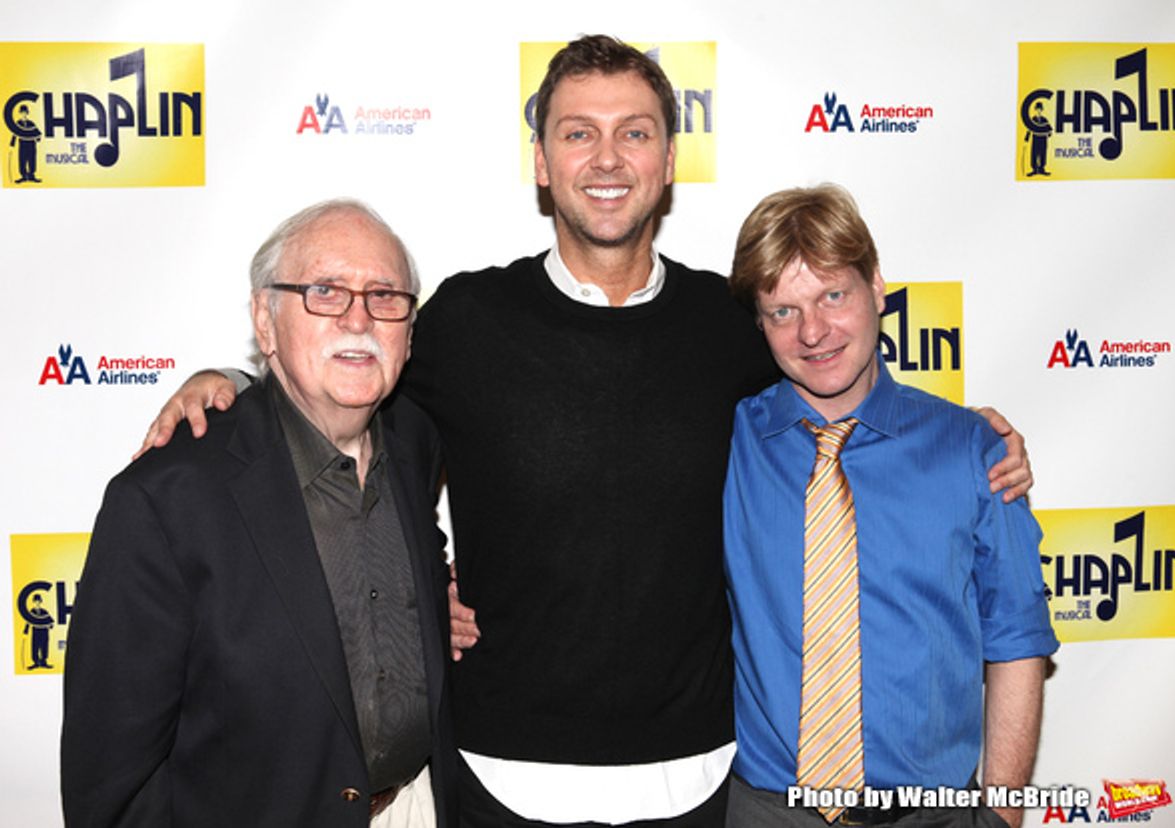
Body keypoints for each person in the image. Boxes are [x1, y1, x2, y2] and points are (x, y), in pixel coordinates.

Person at [135, 36, 1032, 828]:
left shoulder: (727, 329)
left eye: (634, 131)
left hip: (700, 781)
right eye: (579, 132)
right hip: (499, 776)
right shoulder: (465, 318)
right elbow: (348, 424)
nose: (608, 157)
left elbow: (839, 387)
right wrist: (229, 383)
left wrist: (969, 432)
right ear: (541, 160)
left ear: (669, 159)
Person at [61, 200, 457, 827]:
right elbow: (112, 777)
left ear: (408, 331)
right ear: (264, 322)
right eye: (325, 291)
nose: (359, 317)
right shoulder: (165, 498)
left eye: (384, 295)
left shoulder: (414, 440)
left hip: (417, 807)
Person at [722, 184, 1058, 828]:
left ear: (877, 287)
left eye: (833, 296)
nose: (814, 331)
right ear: (759, 323)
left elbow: (1016, 634)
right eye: (783, 311)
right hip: (767, 809)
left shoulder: (971, 449)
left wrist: (1003, 814)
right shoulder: (728, 440)